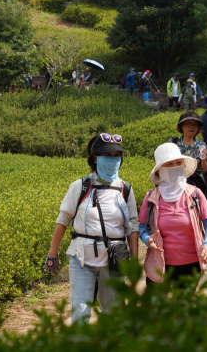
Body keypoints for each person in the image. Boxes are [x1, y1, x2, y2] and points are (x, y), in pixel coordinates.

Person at [45, 133, 138, 323]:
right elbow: (63, 220)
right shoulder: (80, 186)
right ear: (95, 157)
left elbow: (132, 227)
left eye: (116, 155)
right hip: (82, 259)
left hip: (114, 261)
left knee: (115, 315)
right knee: (80, 313)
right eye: (108, 155)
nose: (113, 160)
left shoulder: (125, 189)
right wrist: (52, 254)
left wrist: (134, 262)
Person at [138, 143, 207, 287]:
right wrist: (147, 239)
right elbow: (142, 226)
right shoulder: (151, 197)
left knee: (183, 308)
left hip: (191, 266)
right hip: (159, 265)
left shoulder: (195, 194)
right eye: (170, 164)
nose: (175, 166)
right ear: (160, 170)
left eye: (178, 163)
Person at [168, 111, 207, 194]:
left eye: (195, 124)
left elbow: (205, 169)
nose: (192, 127)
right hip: (175, 184)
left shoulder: (201, 145)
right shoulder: (173, 142)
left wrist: (204, 160)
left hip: (195, 186)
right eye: (188, 123)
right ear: (181, 126)